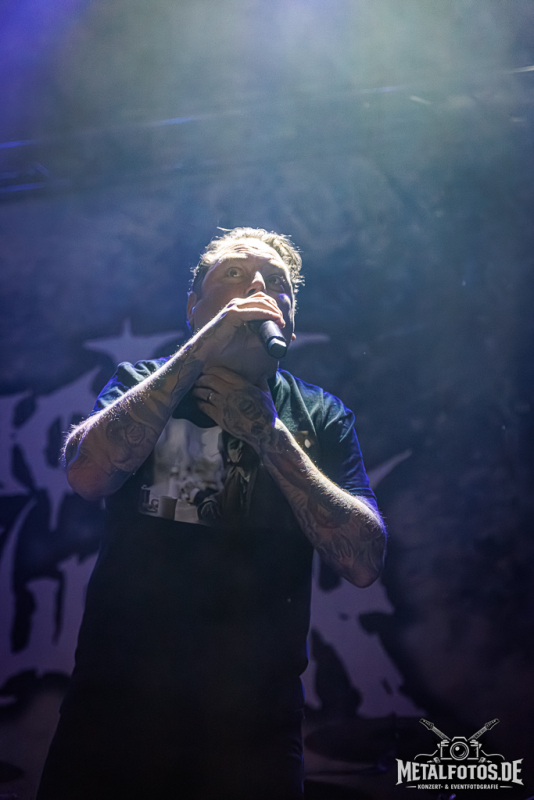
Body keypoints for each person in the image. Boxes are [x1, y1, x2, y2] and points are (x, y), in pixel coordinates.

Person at [37, 227, 386, 800]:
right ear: (194, 306)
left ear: (289, 318)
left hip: (255, 725)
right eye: (235, 274)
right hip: (117, 706)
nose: (259, 286)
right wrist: (199, 352)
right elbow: (87, 474)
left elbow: (365, 561)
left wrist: (269, 434)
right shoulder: (140, 385)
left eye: (277, 283)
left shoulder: (321, 416)